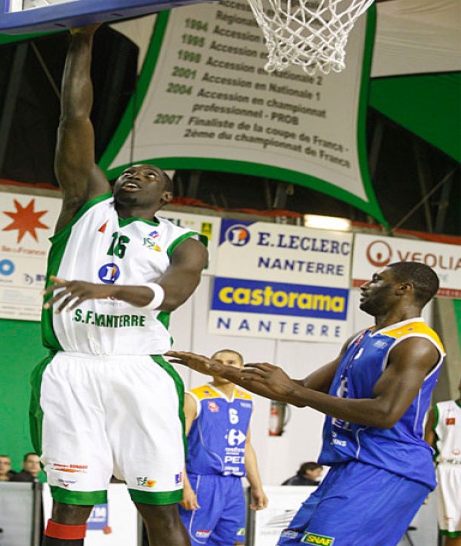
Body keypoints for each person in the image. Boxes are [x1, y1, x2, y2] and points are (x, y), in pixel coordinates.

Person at [30, 23, 208, 546]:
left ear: (167, 196)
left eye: (150, 174)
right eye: (130, 170)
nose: (134, 174)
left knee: (159, 508)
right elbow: (75, 118)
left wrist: (108, 292)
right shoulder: (83, 207)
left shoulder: (184, 241)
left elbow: (173, 294)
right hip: (72, 370)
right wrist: (81, 41)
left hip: (139, 373)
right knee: (68, 503)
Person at [168, 261, 446, 546]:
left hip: (389, 468)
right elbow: (298, 390)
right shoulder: (362, 338)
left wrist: (293, 391)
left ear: (404, 289)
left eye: (376, 279)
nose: (365, 285)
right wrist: (221, 371)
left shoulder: (416, 343)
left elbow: (384, 412)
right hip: (348, 466)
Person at [179, 349, 268, 546]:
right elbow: (175, 444)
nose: (223, 365)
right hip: (201, 481)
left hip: (233, 485)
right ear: (207, 365)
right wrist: (184, 486)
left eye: (231, 362)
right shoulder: (194, 398)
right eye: (217, 361)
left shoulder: (247, 399)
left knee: (235, 541)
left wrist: (257, 486)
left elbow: (245, 444)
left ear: (241, 368)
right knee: (191, 542)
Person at [425, 377, 461, 545]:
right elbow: (426, 449)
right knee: (454, 530)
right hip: (450, 471)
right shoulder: (440, 410)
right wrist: (423, 484)